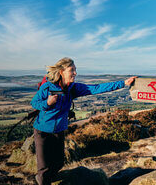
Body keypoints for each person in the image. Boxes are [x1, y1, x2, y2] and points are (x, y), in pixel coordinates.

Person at [31, 57, 137, 185]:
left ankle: (48, 179)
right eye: (72, 70)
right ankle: (42, 180)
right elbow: (34, 103)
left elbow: (97, 88)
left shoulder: (73, 88)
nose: (75, 73)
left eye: (75, 70)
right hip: (42, 130)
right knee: (43, 168)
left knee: (59, 163)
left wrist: (123, 83)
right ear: (61, 72)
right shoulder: (47, 87)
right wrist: (47, 103)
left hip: (59, 130)